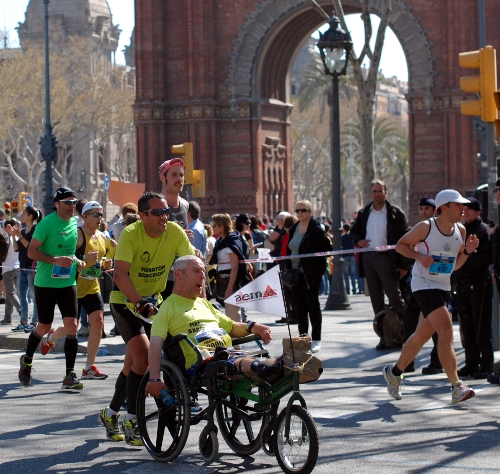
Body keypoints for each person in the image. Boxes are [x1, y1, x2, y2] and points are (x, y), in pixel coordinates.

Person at [99, 191, 196, 446]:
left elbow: (191, 267)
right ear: (142, 216)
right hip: (125, 301)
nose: (165, 216)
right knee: (142, 357)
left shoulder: (174, 231)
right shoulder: (131, 235)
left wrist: (199, 303)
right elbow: (119, 276)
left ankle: (110, 415)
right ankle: (132, 420)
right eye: (158, 212)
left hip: (154, 301)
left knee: (133, 365)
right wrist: (139, 302)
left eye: (166, 211)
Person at [383, 189, 478, 404]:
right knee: (446, 331)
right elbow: (400, 246)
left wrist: (468, 252)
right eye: (458, 205)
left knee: (421, 335)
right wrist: (419, 256)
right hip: (423, 284)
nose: (463, 208)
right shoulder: (426, 227)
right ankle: (456, 386)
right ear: (444, 208)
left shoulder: (460, 231)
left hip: (442, 286)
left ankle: (394, 372)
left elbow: (455, 266)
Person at [146, 255, 276, 400]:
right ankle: (270, 368)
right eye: (196, 271)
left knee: (264, 362)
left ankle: (281, 367)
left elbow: (231, 327)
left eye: (203, 271)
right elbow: (155, 345)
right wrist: (154, 379)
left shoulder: (204, 304)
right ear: (178, 274)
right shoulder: (167, 307)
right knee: (257, 365)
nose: (202, 276)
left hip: (229, 357)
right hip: (205, 364)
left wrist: (252, 326)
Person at [18, 187, 86, 390]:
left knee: (72, 326)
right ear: (57, 204)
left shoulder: (75, 223)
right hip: (46, 283)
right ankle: (27, 361)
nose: (71, 206)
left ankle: (70, 375)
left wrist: (76, 261)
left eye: (73, 202)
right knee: (44, 326)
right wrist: (55, 259)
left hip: (67, 283)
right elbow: (31, 251)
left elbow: (71, 251)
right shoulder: (46, 224)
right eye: (67, 203)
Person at [40, 201, 114, 380]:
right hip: (72, 286)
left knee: (98, 321)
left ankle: (89, 366)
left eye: (101, 214)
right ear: (85, 216)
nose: (99, 218)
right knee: (70, 327)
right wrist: (83, 258)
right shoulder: (77, 234)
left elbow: (100, 259)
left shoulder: (101, 237)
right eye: (95, 214)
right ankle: (52, 336)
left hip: (91, 285)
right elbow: (66, 255)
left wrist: (104, 263)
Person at [349, 180, 409, 350]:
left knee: (396, 299)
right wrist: (358, 241)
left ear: (385, 193)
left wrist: (403, 265)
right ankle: (385, 337)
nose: (377, 194)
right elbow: (354, 232)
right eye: (374, 191)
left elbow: (405, 240)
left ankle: (408, 334)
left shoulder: (395, 214)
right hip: (369, 259)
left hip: (388, 260)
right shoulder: (364, 213)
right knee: (376, 301)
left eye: (380, 191)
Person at [450, 197, 493, 379]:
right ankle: (471, 363)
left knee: (481, 326)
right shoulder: (461, 231)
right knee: (466, 326)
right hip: (462, 286)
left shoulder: (482, 231)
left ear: (478, 212)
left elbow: (482, 260)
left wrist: (463, 261)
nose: (465, 212)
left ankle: (486, 364)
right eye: (463, 209)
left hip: (479, 285)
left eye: (469, 209)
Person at [402, 198, 443, 375]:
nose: (423, 211)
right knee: (410, 323)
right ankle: (407, 363)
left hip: (436, 284)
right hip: (417, 284)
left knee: (437, 327)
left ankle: (437, 362)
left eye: (427, 208)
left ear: (435, 210)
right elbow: (402, 248)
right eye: (421, 208)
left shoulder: (440, 230)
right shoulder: (418, 229)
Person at [286, 200, 332, 352]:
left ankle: (316, 338)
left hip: (310, 274)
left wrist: (315, 266)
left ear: (310, 212)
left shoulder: (316, 229)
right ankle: (303, 337)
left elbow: (327, 248)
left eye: (303, 210)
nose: (300, 213)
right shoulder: (293, 228)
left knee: (312, 305)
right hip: (295, 273)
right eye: (297, 210)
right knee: (299, 306)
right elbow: (288, 249)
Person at [6, 207, 42, 331]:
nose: (22, 215)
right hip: (22, 267)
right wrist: (13, 236)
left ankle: (35, 322)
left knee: (34, 296)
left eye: (25, 214)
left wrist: (19, 235)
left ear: (31, 216)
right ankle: (24, 321)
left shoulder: (35, 230)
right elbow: (17, 249)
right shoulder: (22, 230)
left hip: (32, 267)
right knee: (21, 295)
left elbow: (30, 247)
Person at [209, 213, 248, 323]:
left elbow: (235, 267)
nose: (212, 228)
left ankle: (237, 338)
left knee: (233, 315)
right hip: (223, 280)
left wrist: (230, 288)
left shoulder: (231, 241)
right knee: (229, 314)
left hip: (230, 280)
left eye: (214, 225)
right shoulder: (221, 242)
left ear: (222, 227)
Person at [1, 219, 22, 326]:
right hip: (17, 268)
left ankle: (21, 311)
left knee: (10, 293)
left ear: (7, 227)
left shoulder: (5, 240)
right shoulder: (18, 238)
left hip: (7, 269)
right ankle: (7, 317)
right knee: (11, 294)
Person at [341, 223, 357, 295]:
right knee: (353, 275)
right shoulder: (351, 237)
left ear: (344, 229)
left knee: (346, 275)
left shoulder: (342, 237)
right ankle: (354, 290)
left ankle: (347, 290)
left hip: (344, 257)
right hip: (352, 256)